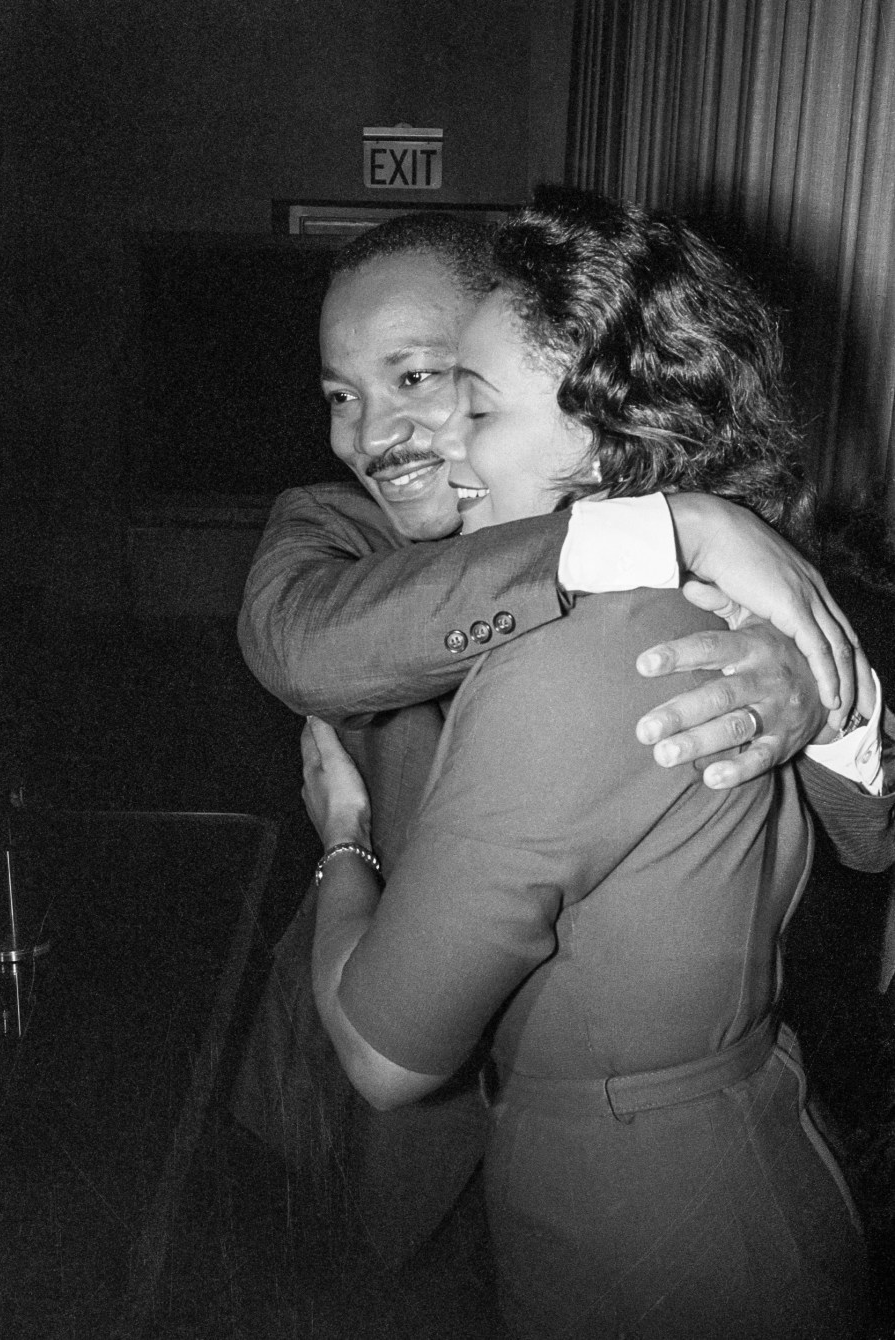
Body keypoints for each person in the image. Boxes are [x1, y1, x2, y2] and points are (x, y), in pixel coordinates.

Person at [232, 211, 885, 1268]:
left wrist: (817, 693)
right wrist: (663, 528)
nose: (375, 435)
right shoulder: (329, 526)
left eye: (419, 378)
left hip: (627, 1150)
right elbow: (300, 644)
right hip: (394, 1109)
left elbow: (867, 828)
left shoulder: (715, 572)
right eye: (340, 395)